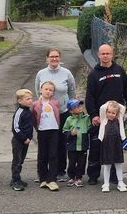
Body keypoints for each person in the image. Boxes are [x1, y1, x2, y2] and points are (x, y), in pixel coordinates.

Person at [85, 43, 127, 186]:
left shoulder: (120, 71)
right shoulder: (94, 74)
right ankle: (93, 175)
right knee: (97, 146)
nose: (105, 56)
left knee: (115, 147)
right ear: (98, 54)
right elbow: (89, 97)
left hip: (117, 117)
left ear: (112, 54)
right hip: (101, 117)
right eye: (103, 53)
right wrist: (93, 115)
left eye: (108, 53)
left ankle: (115, 176)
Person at [35, 47, 77, 176]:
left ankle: (60, 171)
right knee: (45, 144)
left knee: (61, 142)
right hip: (46, 114)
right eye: (51, 56)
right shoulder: (41, 73)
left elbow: (72, 91)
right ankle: (44, 172)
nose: (54, 59)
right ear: (47, 59)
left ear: (60, 58)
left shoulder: (66, 73)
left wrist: (71, 107)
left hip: (63, 112)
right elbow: (38, 90)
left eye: (56, 56)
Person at [33, 80, 62, 191]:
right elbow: (33, 118)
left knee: (53, 155)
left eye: (51, 90)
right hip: (42, 131)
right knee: (42, 155)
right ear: (40, 90)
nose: (48, 91)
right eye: (46, 89)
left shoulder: (55, 102)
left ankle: (52, 179)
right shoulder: (35, 104)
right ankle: (43, 178)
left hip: (54, 131)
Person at [97, 100, 127, 192]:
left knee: (118, 164)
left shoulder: (119, 120)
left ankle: (120, 182)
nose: (110, 114)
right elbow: (102, 108)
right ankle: (106, 183)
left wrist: (115, 104)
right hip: (106, 144)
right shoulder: (104, 119)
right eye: (109, 112)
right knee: (107, 165)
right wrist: (109, 103)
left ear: (117, 114)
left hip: (117, 143)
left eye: (113, 113)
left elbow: (122, 108)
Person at [10, 89, 34, 192]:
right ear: (20, 101)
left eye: (31, 98)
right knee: (17, 160)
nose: (30, 101)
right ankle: (15, 180)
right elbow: (15, 128)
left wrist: (29, 138)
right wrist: (24, 138)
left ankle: (17, 178)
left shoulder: (28, 111)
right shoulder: (19, 112)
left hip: (26, 141)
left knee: (21, 160)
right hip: (18, 141)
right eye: (27, 99)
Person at [62, 99, 90, 187]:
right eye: (76, 107)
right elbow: (64, 130)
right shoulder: (69, 119)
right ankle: (71, 177)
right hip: (72, 146)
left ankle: (79, 177)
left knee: (82, 163)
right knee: (72, 162)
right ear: (71, 110)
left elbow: (90, 128)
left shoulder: (86, 118)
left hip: (83, 145)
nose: (80, 108)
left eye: (80, 106)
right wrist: (70, 133)